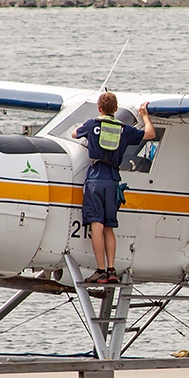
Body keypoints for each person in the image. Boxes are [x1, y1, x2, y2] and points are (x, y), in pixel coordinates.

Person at [73, 92, 155, 284]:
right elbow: (150, 134)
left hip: (95, 178)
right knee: (109, 227)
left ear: (99, 109)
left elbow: (74, 134)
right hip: (113, 180)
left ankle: (99, 270)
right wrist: (144, 115)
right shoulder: (124, 129)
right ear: (115, 109)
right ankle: (111, 270)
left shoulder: (92, 124)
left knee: (96, 225)